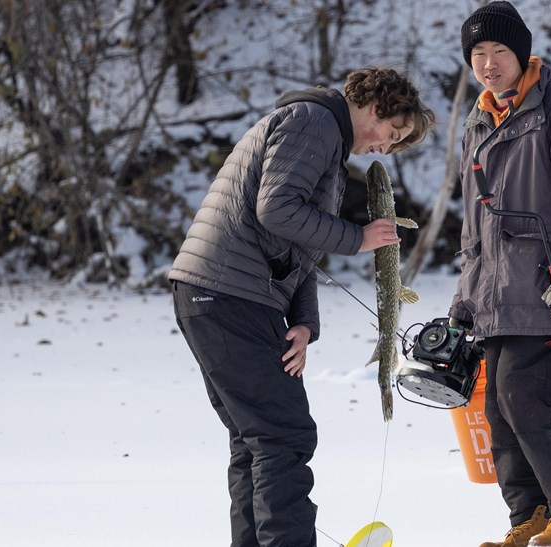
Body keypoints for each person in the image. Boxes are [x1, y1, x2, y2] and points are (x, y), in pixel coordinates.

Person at [169, 67, 434, 547]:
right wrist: (358, 238)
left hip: (224, 294)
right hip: (229, 292)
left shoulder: (321, 135)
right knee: (282, 434)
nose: (384, 149)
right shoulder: (314, 123)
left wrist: (304, 323)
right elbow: (279, 210)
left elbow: (296, 242)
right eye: (391, 134)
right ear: (376, 106)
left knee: (257, 441)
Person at [446, 3, 551, 546]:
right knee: (496, 407)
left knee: (523, 393)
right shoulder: (477, 123)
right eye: (478, 55)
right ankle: (530, 518)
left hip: (548, 290)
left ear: (521, 54)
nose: (489, 64)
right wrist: (463, 299)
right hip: (494, 297)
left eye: (499, 52)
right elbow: (474, 227)